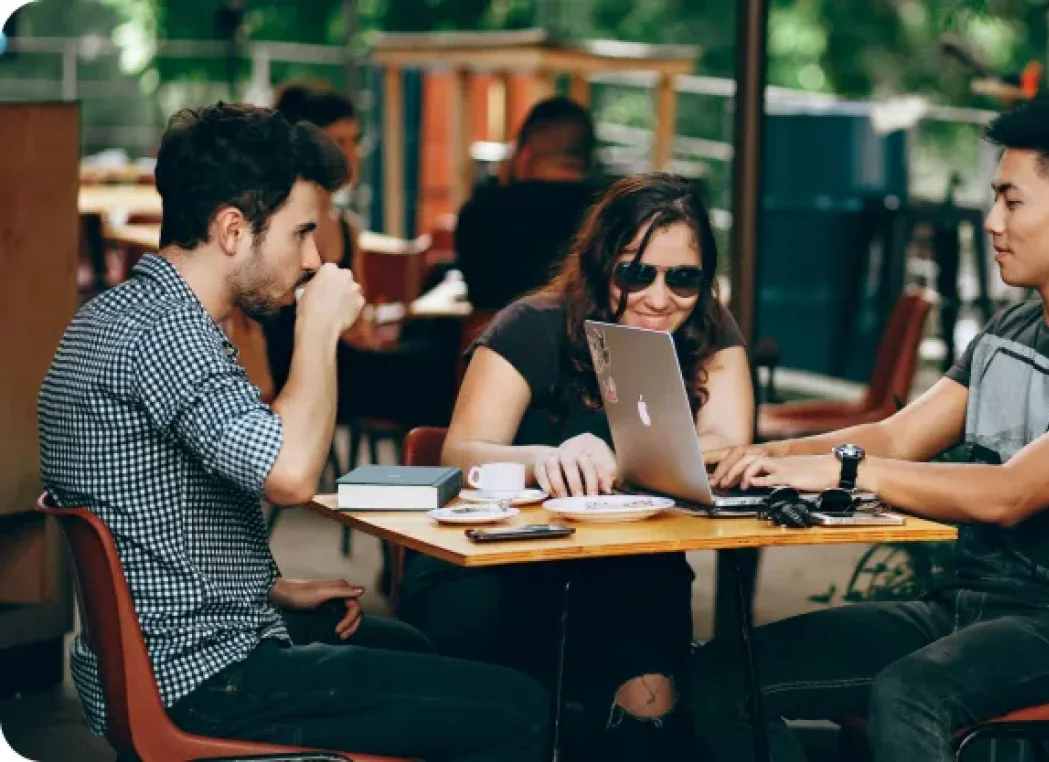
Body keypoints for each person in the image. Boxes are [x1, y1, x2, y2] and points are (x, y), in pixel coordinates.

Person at [37, 102, 547, 761]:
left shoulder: (124, 314)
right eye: (300, 233)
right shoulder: (169, 335)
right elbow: (292, 475)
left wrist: (268, 588)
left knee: (412, 646)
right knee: (521, 710)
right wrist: (317, 331)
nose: (311, 259)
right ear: (231, 230)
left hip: (162, 657)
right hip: (203, 679)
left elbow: (151, 511)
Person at [690, 99, 1049, 762]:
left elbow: (1011, 493)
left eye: (1012, 202)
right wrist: (758, 457)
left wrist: (844, 469)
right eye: (995, 199)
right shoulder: (1009, 332)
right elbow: (898, 437)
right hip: (960, 608)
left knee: (910, 692)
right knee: (719, 678)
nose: (991, 222)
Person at [398, 172, 755, 762]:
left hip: (629, 577)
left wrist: (627, 459)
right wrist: (545, 460)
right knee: (523, 719)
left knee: (652, 730)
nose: (660, 298)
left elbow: (727, 440)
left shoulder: (707, 329)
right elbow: (460, 454)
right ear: (600, 265)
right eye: (636, 273)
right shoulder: (532, 325)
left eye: (684, 278)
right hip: (500, 573)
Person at [454, 96, 604, 312]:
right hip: (585, 341)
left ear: (524, 154)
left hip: (496, 340)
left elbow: (480, 296)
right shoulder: (611, 214)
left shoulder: (480, 212)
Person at [261, 79, 365, 391]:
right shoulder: (270, 226)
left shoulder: (348, 229)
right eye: (339, 142)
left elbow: (359, 328)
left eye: (354, 141)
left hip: (338, 371)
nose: (351, 155)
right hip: (283, 377)